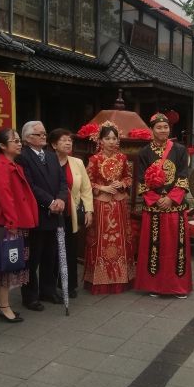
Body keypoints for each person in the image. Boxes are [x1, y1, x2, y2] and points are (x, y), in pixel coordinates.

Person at [134, 113, 192, 298]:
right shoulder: (144, 153)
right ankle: (154, 286)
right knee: (154, 247)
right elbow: (141, 180)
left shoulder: (180, 150)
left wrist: (172, 198)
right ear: (152, 130)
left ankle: (178, 287)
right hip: (154, 208)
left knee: (177, 248)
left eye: (165, 127)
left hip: (175, 208)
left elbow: (183, 176)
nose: (163, 130)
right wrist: (156, 199)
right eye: (159, 127)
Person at [0, 129, 38, 322]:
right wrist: (12, 222)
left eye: (18, 140)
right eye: (14, 141)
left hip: (15, 222)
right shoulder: (1, 166)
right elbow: (5, 198)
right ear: (2, 145)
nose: (19, 143)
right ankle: (3, 306)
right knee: (6, 264)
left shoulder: (12, 164)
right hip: (7, 224)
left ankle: (1, 303)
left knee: (10, 263)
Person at [19, 120, 67, 311]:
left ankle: (48, 290)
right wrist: (50, 202)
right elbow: (29, 185)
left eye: (44, 133)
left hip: (55, 213)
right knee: (32, 257)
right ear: (28, 138)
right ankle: (30, 296)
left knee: (50, 255)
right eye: (39, 134)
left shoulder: (51, 156)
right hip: (37, 213)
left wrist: (61, 199)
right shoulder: (23, 157)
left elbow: (62, 181)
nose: (43, 137)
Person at [83, 123, 134, 294]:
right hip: (101, 205)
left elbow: (129, 177)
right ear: (100, 141)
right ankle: (100, 279)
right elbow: (86, 182)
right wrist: (103, 187)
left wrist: (122, 183)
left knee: (121, 240)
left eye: (114, 138)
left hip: (119, 204)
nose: (112, 141)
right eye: (107, 138)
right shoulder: (94, 160)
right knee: (100, 240)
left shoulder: (122, 158)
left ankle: (121, 278)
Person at [48, 129, 93, 298]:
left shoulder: (77, 162)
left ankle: (69, 285)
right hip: (51, 212)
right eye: (64, 140)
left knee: (70, 248)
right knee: (52, 249)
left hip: (71, 212)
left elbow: (86, 188)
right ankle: (50, 285)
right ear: (54, 145)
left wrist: (88, 210)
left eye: (70, 140)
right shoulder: (47, 161)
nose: (68, 143)